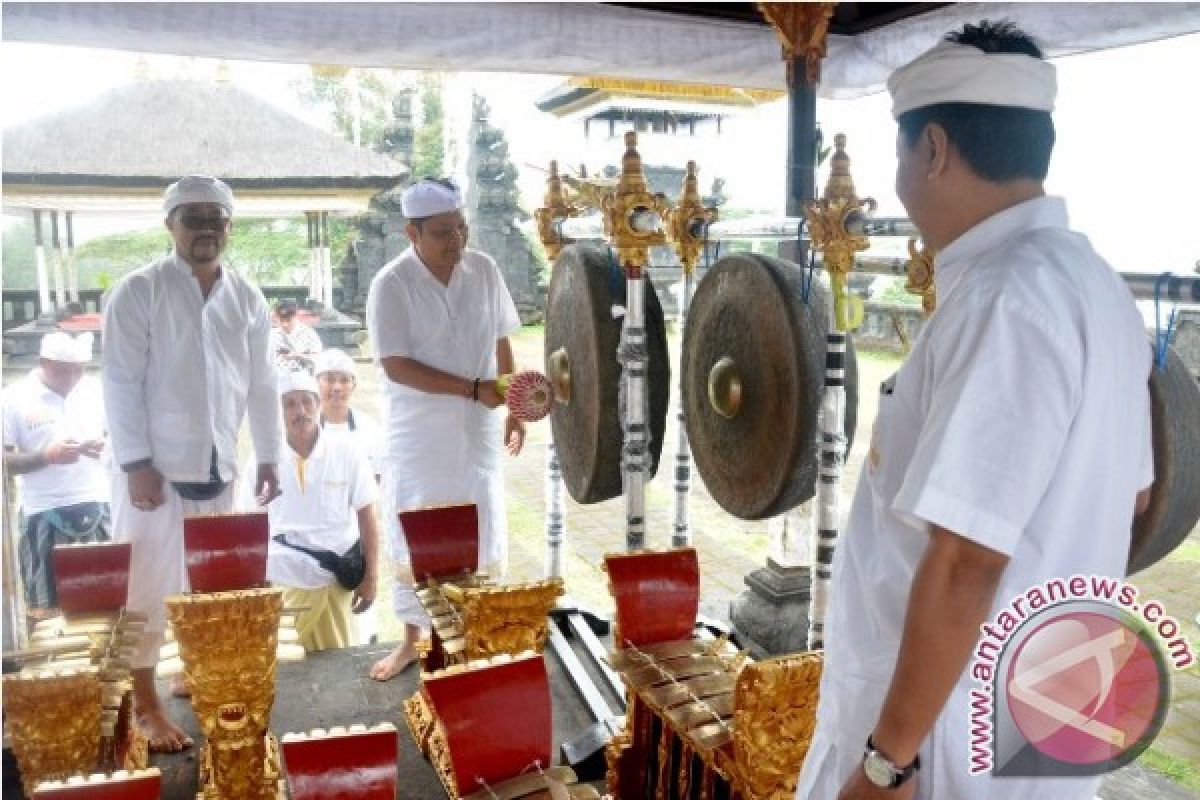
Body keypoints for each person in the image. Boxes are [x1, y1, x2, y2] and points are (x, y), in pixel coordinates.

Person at [794, 22, 1154, 800]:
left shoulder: (1007, 298)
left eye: (899, 156)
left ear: (933, 150)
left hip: (943, 745)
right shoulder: (1099, 287)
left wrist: (887, 763)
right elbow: (1134, 499)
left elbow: (966, 561)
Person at [102, 175, 282, 753]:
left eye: (216, 218)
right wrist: (135, 463)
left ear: (229, 226)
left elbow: (261, 383)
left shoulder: (246, 296)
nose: (205, 228)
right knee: (145, 589)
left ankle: (193, 673)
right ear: (170, 225)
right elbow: (120, 383)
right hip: (152, 471)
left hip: (219, 467)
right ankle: (146, 705)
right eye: (192, 217)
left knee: (210, 585)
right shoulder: (139, 291)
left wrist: (270, 455)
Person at [365, 177, 525, 681]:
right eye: (442, 232)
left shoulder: (484, 269)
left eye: (461, 228)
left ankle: (473, 632)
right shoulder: (391, 284)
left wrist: (513, 398)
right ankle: (412, 640)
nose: (456, 240)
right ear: (412, 233)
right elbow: (395, 365)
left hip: (476, 430)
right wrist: (472, 388)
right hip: (420, 438)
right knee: (419, 529)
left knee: (479, 523)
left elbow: (501, 336)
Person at [242, 369, 379, 651]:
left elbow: (368, 515)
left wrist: (372, 577)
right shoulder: (261, 461)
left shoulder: (347, 450)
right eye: (289, 404)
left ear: (318, 405)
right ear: (278, 412)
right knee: (281, 668)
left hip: (334, 582)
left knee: (339, 668)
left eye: (306, 401)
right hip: (283, 581)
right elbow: (247, 526)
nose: (299, 411)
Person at [2, 331, 110, 612]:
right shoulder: (14, 398)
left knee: (108, 597)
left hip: (98, 501)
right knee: (47, 605)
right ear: (43, 363)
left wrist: (106, 446)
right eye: (63, 371)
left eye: (79, 371)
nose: (72, 379)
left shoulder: (96, 390)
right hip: (44, 510)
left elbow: (123, 436)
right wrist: (46, 456)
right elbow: (4, 461)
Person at [314, 348, 383, 478]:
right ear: (315, 383)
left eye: (344, 380)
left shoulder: (370, 429)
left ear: (354, 386)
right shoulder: (304, 429)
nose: (337, 388)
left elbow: (377, 478)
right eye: (329, 379)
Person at [271, 297, 323, 373]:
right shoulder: (272, 335)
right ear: (277, 318)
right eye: (281, 320)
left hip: (303, 375)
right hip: (278, 376)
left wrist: (298, 355)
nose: (285, 324)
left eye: (288, 320)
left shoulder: (308, 334)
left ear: (295, 316)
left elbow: (319, 358)